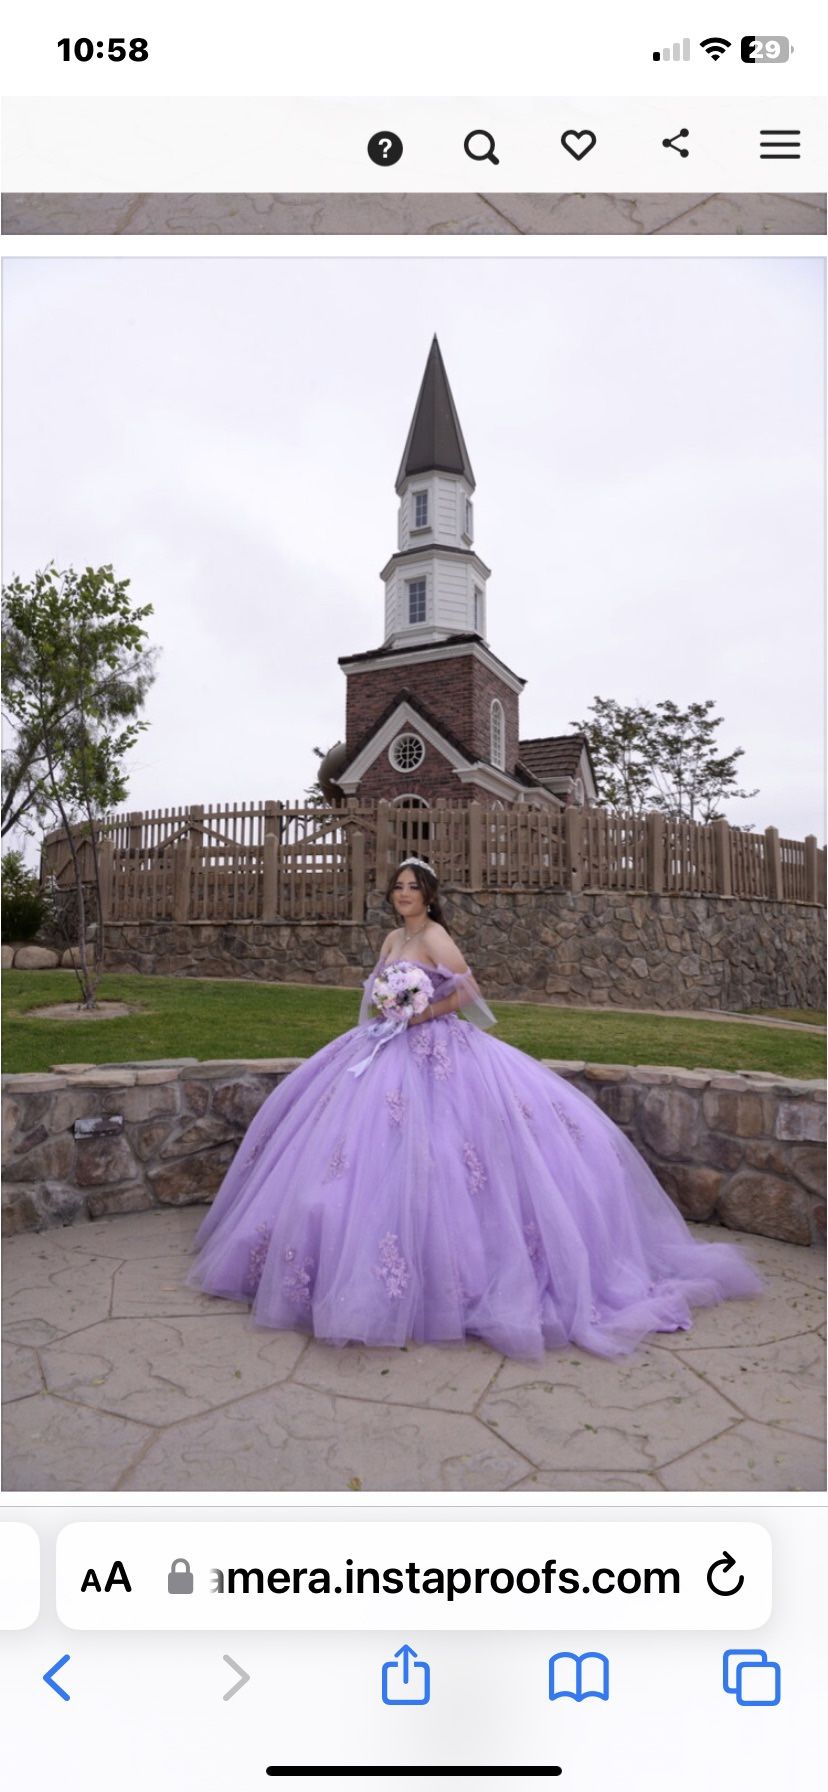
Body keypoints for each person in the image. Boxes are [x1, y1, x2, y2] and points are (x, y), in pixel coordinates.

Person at [188, 856, 762, 1360]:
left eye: (412, 887)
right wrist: (389, 1013)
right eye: (397, 887)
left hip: (437, 1050)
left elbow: (468, 990)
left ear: (429, 895)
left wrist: (422, 1014)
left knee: (448, 1150)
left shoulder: (436, 936)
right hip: (385, 1048)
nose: (403, 894)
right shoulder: (391, 940)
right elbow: (376, 992)